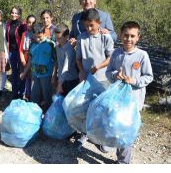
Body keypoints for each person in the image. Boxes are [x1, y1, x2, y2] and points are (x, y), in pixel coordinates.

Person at [105, 21, 153, 164]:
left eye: (132, 36)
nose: (129, 39)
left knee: (128, 132)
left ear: (138, 37)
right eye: (126, 35)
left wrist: (134, 80)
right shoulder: (116, 53)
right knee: (117, 128)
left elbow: (149, 76)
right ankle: (116, 152)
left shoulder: (142, 55)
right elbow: (108, 72)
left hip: (134, 101)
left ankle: (123, 163)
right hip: (118, 100)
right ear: (120, 36)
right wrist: (115, 75)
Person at [75, 8, 114, 151]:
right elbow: (78, 58)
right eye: (86, 26)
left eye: (91, 25)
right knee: (86, 108)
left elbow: (111, 58)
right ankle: (84, 134)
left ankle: (100, 137)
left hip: (103, 79)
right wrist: (81, 71)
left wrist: (97, 67)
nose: (89, 28)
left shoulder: (105, 37)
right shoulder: (81, 38)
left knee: (101, 109)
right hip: (87, 80)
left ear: (99, 23)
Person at [20, 23, 56, 113]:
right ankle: (34, 115)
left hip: (46, 75)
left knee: (47, 96)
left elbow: (56, 61)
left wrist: (54, 75)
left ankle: (48, 116)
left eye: (39, 37)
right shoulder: (32, 45)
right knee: (34, 96)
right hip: (34, 74)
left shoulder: (51, 45)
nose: (37, 39)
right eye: (35, 37)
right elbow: (30, 61)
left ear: (44, 33)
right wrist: (24, 73)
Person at [6, 6, 26, 99]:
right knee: (14, 73)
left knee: (21, 72)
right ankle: (14, 94)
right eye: (12, 12)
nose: (13, 14)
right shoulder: (8, 24)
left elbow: (25, 37)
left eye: (16, 13)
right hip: (11, 52)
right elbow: (7, 38)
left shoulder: (22, 25)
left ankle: (21, 93)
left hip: (20, 52)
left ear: (19, 15)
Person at [53, 24, 79, 97]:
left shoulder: (69, 50)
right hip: (62, 79)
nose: (57, 40)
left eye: (59, 38)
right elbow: (58, 63)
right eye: (56, 38)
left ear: (66, 36)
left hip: (71, 81)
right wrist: (55, 76)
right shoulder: (58, 47)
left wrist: (59, 84)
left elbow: (66, 68)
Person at [19, 15, 36, 100]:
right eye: (29, 22)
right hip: (24, 59)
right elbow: (21, 48)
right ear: (26, 22)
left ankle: (31, 96)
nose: (31, 24)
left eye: (33, 23)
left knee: (31, 78)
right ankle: (24, 95)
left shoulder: (36, 34)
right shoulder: (24, 34)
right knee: (24, 78)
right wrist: (22, 59)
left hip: (32, 60)